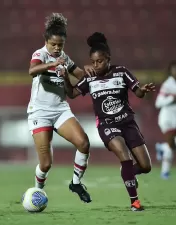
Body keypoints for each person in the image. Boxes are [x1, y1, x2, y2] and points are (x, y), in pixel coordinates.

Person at [59, 32, 154, 211]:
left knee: (145, 166)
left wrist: (142, 89)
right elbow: (71, 94)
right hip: (107, 125)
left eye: (99, 61)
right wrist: (65, 77)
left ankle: (127, 174)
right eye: (93, 62)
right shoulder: (90, 77)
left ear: (108, 58)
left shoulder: (121, 72)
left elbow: (138, 92)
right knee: (124, 157)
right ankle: (135, 202)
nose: (96, 65)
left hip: (128, 122)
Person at [27, 13, 93, 203]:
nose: (56, 48)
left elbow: (79, 74)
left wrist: (90, 73)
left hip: (61, 110)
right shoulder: (40, 54)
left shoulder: (64, 57)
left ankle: (76, 182)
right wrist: (52, 64)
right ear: (46, 41)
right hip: (40, 112)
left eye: (60, 45)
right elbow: (32, 70)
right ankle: (38, 192)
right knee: (46, 164)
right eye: (53, 44)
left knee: (83, 143)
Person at [155, 61, 176, 179]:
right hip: (167, 117)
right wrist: (171, 98)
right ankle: (165, 172)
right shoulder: (167, 85)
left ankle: (161, 147)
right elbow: (158, 103)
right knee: (171, 146)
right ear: (171, 71)